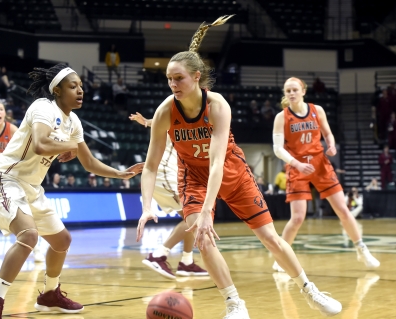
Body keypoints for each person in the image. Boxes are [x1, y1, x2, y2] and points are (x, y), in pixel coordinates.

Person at [135, 16, 342, 318]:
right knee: (203, 238)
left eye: (178, 78)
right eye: (168, 79)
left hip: (230, 171)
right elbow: (150, 166)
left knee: (270, 237)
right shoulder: (166, 110)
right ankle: (234, 303)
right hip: (193, 176)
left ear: (196, 76)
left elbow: (217, 161)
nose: (172, 84)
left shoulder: (217, 105)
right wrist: (146, 205)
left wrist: (207, 210)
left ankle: (311, 291)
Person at [0, 63, 143, 318]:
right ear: (57, 90)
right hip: (5, 177)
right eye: (73, 86)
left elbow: (89, 162)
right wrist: (67, 145)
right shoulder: (43, 107)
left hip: (31, 187)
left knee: (62, 241)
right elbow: (39, 144)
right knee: (28, 236)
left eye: (81, 86)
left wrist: (119, 173)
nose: (80, 90)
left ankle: (49, 294)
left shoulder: (74, 123)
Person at [272, 76, 379, 273]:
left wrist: (330, 145)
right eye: (288, 91)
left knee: (343, 210)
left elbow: (328, 134)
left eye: (295, 89)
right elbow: (278, 149)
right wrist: (297, 164)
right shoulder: (282, 117)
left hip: (320, 164)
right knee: (297, 218)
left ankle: (361, 249)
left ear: (303, 91)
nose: (292, 93)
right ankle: (281, 258)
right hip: (297, 167)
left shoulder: (317, 110)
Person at [129, 113, 209, 280]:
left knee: (190, 217)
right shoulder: (183, 111)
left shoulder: (191, 115)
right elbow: (164, 119)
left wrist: (146, 122)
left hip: (172, 171)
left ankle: (186, 262)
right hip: (165, 171)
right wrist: (148, 122)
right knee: (194, 217)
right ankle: (158, 255)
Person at [0, 101, 45, 264]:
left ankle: (36, 249)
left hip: (6, 178)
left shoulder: (11, 130)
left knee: (19, 216)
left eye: (1, 109)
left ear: (5, 114)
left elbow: (25, 146)